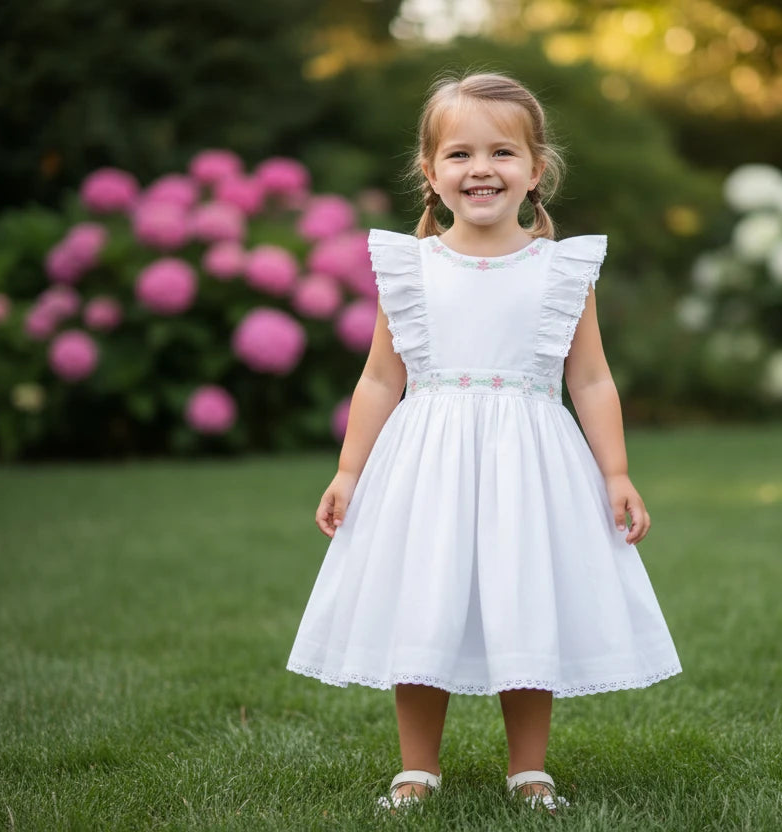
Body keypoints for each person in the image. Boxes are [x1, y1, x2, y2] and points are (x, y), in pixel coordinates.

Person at [286, 70, 682, 815]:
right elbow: (379, 378)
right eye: (460, 154)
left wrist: (617, 472)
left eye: (502, 153)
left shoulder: (562, 270)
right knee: (422, 599)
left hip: (530, 463)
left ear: (536, 170)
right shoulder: (410, 269)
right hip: (426, 461)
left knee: (523, 597)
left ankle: (529, 768)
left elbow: (591, 379)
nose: (481, 169)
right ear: (430, 173)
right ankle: (417, 768)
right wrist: (348, 470)